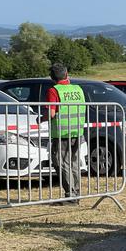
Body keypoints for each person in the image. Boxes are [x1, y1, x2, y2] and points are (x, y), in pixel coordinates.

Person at [44, 63, 85, 204]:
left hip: (62, 133)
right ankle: (77, 193)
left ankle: (70, 195)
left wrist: (41, 118)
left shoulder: (54, 91)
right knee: (73, 163)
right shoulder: (78, 89)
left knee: (62, 164)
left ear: (52, 77)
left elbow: (51, 113)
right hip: (77, 131)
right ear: (67, 74)